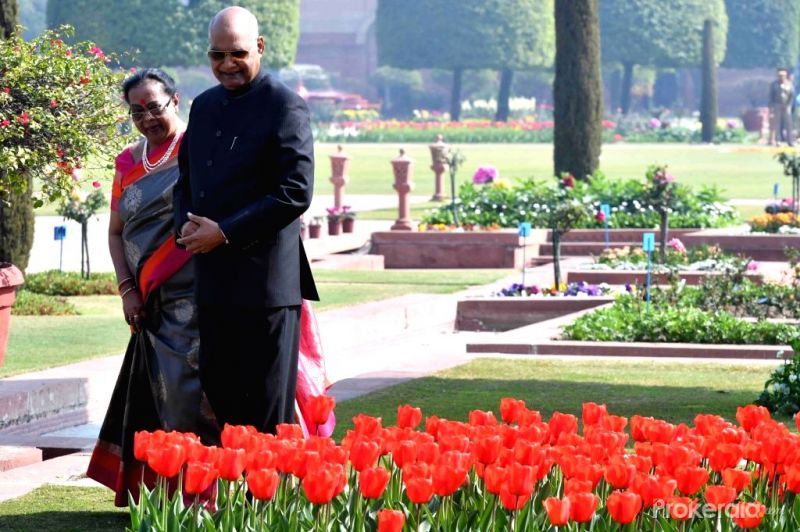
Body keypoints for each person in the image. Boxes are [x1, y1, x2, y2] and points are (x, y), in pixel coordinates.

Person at [174, 7, 319, 438]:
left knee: (266, 413)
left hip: (266, 289)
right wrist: (185, 227)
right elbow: (186, 182)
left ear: (259, 47)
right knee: (222, 402)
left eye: (236, 53)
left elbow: (296, 190)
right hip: (214, 283)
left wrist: (224, 232)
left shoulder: (284, 105)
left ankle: (267, 504)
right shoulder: (204, 106)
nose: (226, 64)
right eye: (216, 55)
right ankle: (235, 506)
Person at [87, 68, 218, 506]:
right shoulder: (127, 161)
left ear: (175, 101)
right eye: (136, 111)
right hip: (149, 306)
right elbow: (115, 232)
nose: (147, 118)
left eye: (155, 107)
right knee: (160, 400)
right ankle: (165, 494)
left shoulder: (200, 149)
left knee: (197, 398)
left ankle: (208, 495)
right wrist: (128, 290)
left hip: (200, 298)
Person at [769, 67, 795, 146]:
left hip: (786, 106)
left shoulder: (789, 84)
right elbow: (771, 96)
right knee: (777, 124)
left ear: (786, 76)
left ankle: (790, 141)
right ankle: (778, 141)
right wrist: (771, 107)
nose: (781, 77)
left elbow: (792, 95)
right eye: (780, 75)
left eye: (783, 75)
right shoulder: (774, 84)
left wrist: (789, 105)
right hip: (777, 105)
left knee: (789, 124)